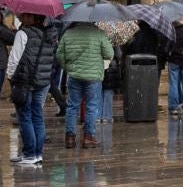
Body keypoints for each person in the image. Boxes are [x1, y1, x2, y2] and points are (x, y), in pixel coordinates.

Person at [55, 19, 112, 149]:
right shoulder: (98, 33)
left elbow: (59, 54)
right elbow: (109, 53)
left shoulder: (68, 33)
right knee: (91, 106)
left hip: (74, 75)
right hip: (93, 76)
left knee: (72, 107)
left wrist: (67, 67)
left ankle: (70, 138)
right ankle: (88, 137)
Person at [8, 12, 55, 167]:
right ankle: (37, 154)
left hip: (25, 80)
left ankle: (29, 154)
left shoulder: (23, 33)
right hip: (42, 81)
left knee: (25, 117)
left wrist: (11, 78)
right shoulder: (49, 34)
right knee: (37, 116)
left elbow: (14, 59)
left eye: (24, 15)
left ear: (32, 17)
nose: (20, 17)